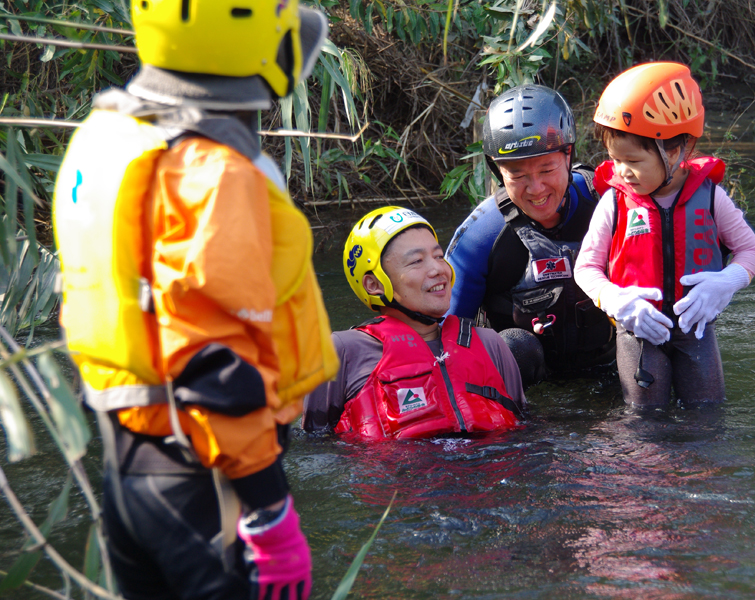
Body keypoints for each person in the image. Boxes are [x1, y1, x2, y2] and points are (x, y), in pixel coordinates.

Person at [52, 1, 338, 599]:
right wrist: (268, 510)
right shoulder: (214, 169)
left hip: (128, 470)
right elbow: (215, 361)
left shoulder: (106, 136)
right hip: (207, 480)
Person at [573, 61, 755, 409]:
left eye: (632, 161)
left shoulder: (710, 198)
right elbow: (585, 268)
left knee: (708, 418)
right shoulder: (614, 203)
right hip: (637, 332)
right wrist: (615, 300)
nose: (621, 172)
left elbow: (752, 251)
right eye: (615, 159)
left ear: (674, 151)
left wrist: (728, 281)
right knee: (644, 423)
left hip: (696, 332)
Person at [302, 206, 527, 439]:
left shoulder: (489, 343)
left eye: (439, 256)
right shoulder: (342, 351)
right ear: (374, 285)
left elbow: (524, 432)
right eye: (417, 261)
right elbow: (316, 445)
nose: (438, 269)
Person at [444, 84, 616, 387]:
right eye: (518, 175)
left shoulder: (611, 200)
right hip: (528, 377)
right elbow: (446, 340)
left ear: (568, 155)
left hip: (615, 362)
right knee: (515, 346)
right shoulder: (480, 236)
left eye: (546, 169)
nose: (536, 189)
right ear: (498, 173)